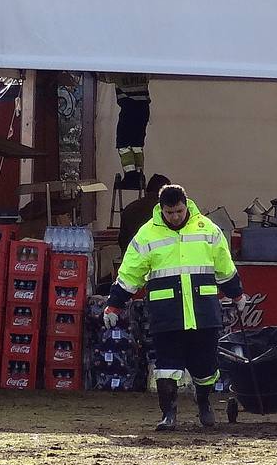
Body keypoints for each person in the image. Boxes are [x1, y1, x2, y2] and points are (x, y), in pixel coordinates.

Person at [103, 184, 243, 430]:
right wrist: (113, 305)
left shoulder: (208, 230)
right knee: (167, 367)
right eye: (170, 213)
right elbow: (129, 274)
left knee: (206, 367)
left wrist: (237, 295)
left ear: (186, 205)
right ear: (161, 209)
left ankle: (204, 403)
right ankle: (169, 415)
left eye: (179, 211)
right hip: (166, 314)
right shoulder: (146, 235)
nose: (175, 217)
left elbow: (225, 267)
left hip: (203, 312)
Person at [118, 174, 171, 251]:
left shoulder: (129, 208)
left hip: (132, 257)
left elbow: (122, 240)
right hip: (157, 257)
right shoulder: (164, 210)